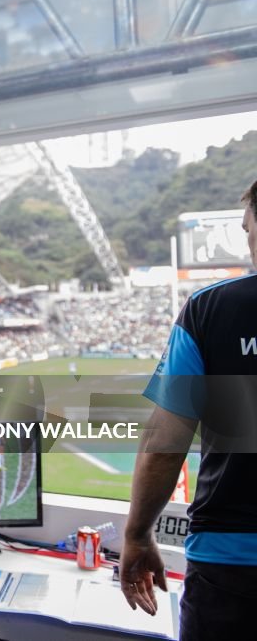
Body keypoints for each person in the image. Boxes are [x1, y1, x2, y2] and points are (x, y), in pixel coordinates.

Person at [121, 180, 257, 640]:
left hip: (232, 563)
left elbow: (164, 443)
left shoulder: (211, 309)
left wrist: (137, 535)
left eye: (247, 227)